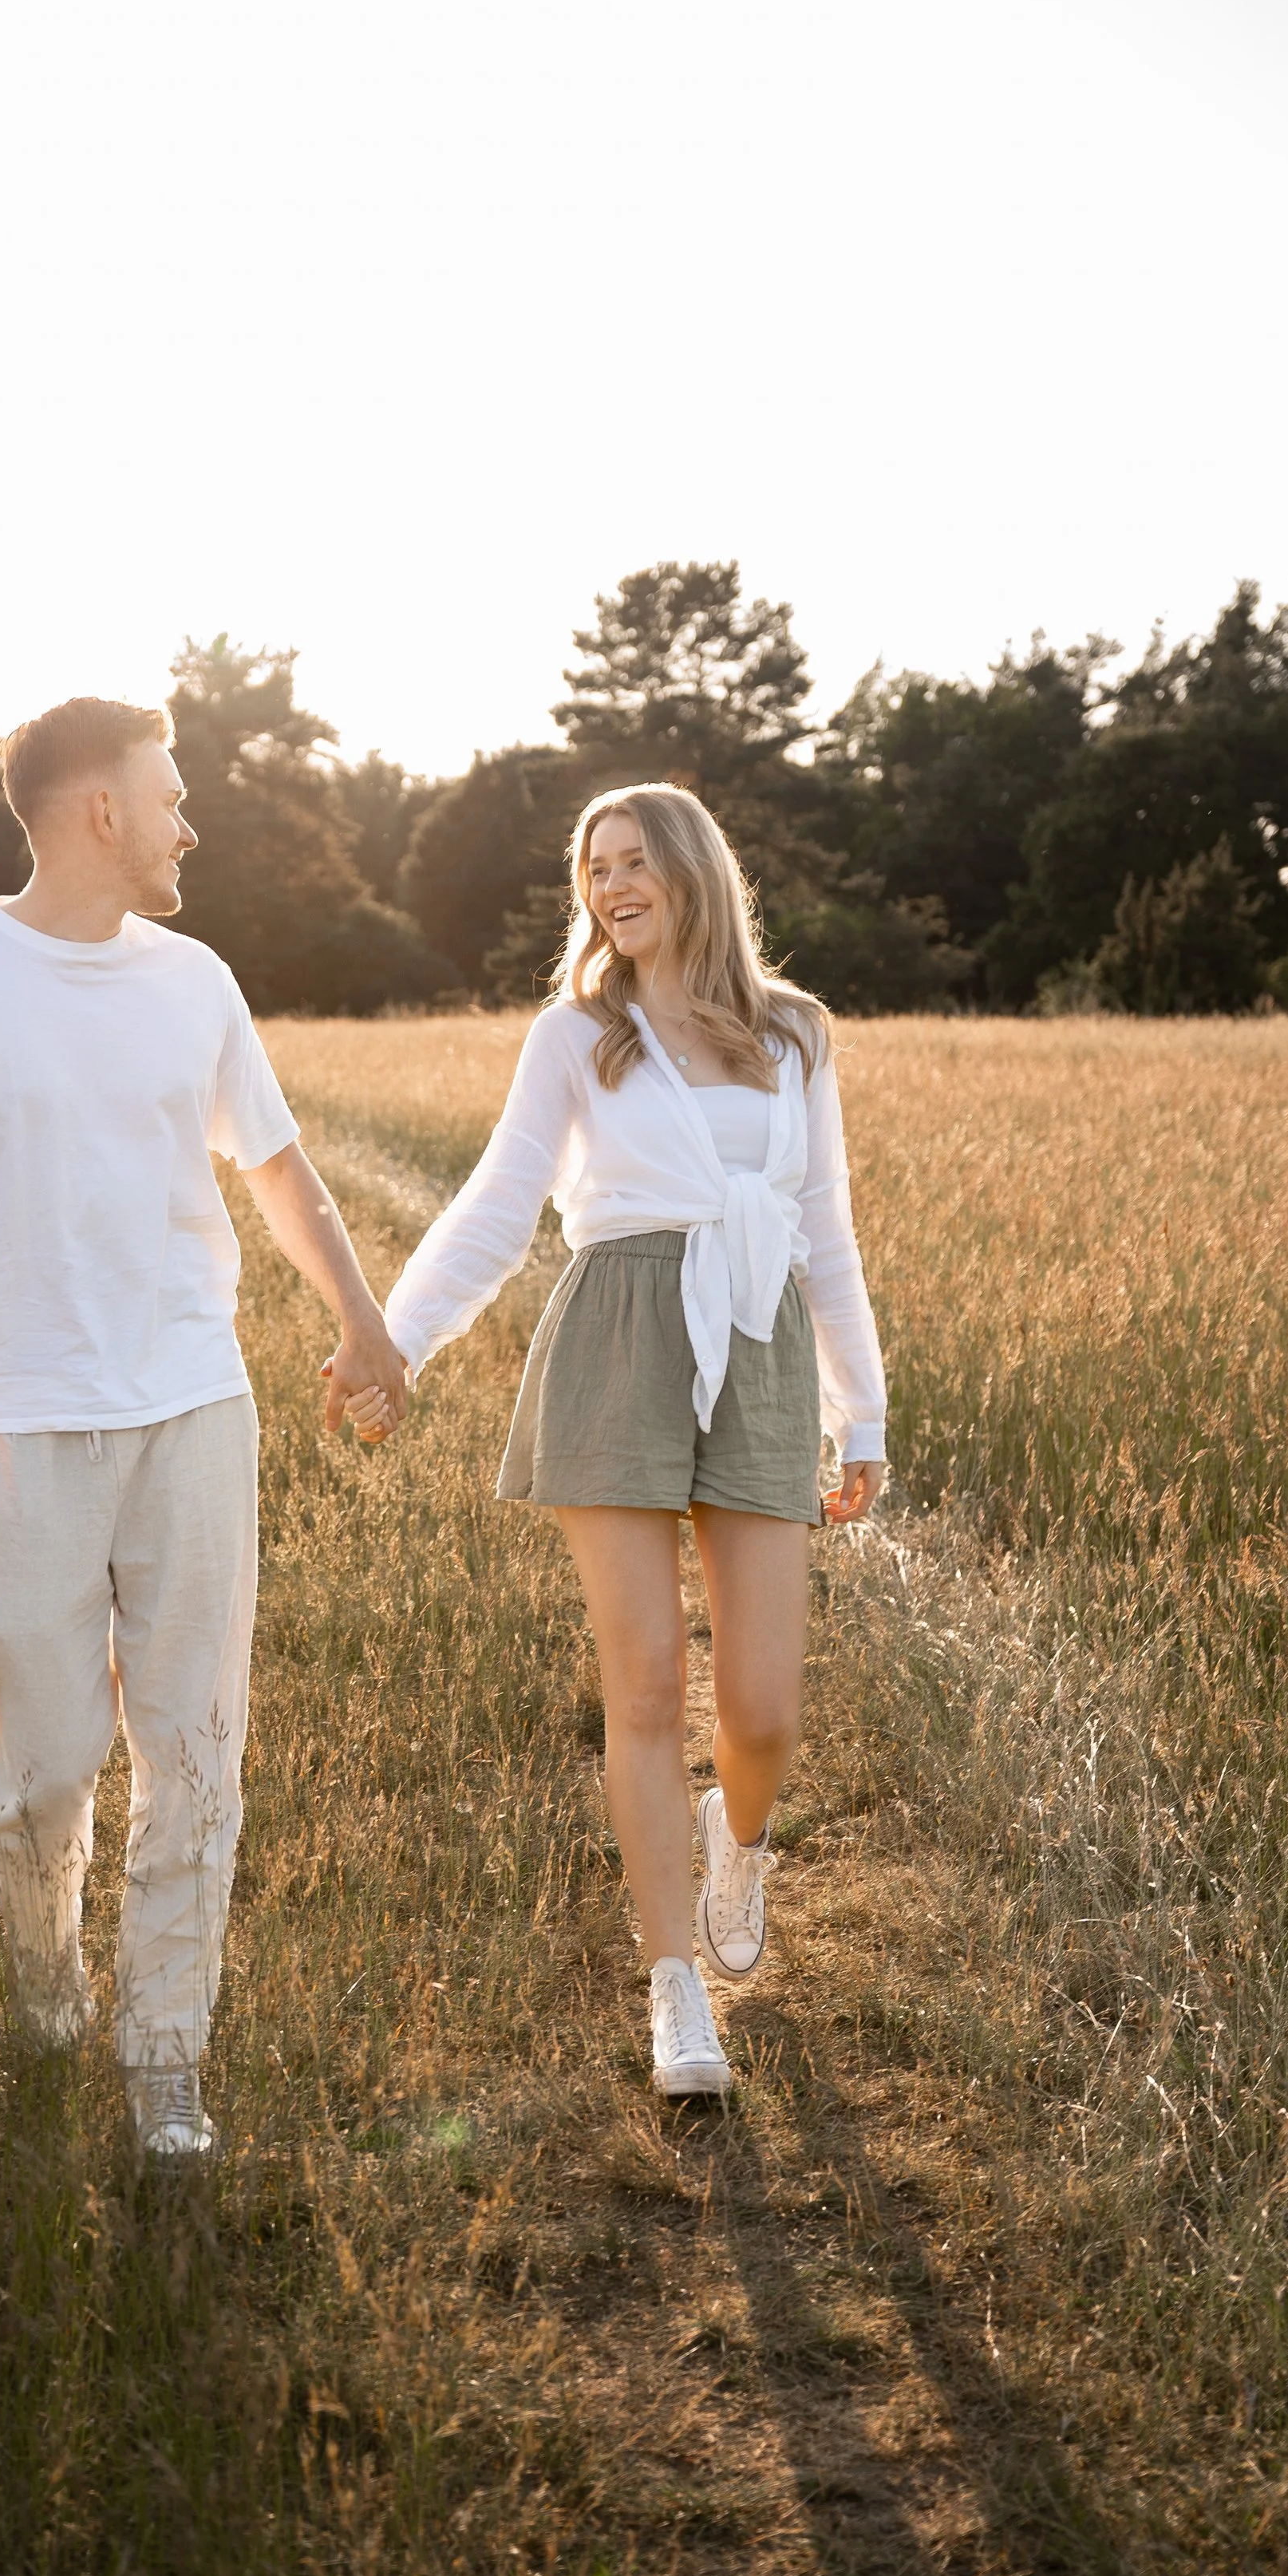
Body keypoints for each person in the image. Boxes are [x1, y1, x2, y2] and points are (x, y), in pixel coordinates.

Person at [0, 697, 409, 2161]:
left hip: (194, 1409)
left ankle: (166, 2058)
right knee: (38, 1766)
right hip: (16, 1425)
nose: (189, 825)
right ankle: (48, 1992)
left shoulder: (195, 981)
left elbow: (279, 1170)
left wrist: (362, 1319)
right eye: (172, 796)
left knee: (197, 1746)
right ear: (101, 810)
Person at [350, 783, 885, 2100]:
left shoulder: (795, 1031)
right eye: (595, 868)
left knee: (763, 1706)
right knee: (644, 1685)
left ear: (696, 870)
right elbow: (499, 1203)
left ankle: (736, 1840)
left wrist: (860, 1407)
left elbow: (825, 1229)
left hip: (756, 1344)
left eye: (636, 861)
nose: (612, 886)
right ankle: (675, 1988)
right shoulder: (578, 1034)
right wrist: (398, 1338)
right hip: (616, 1342)